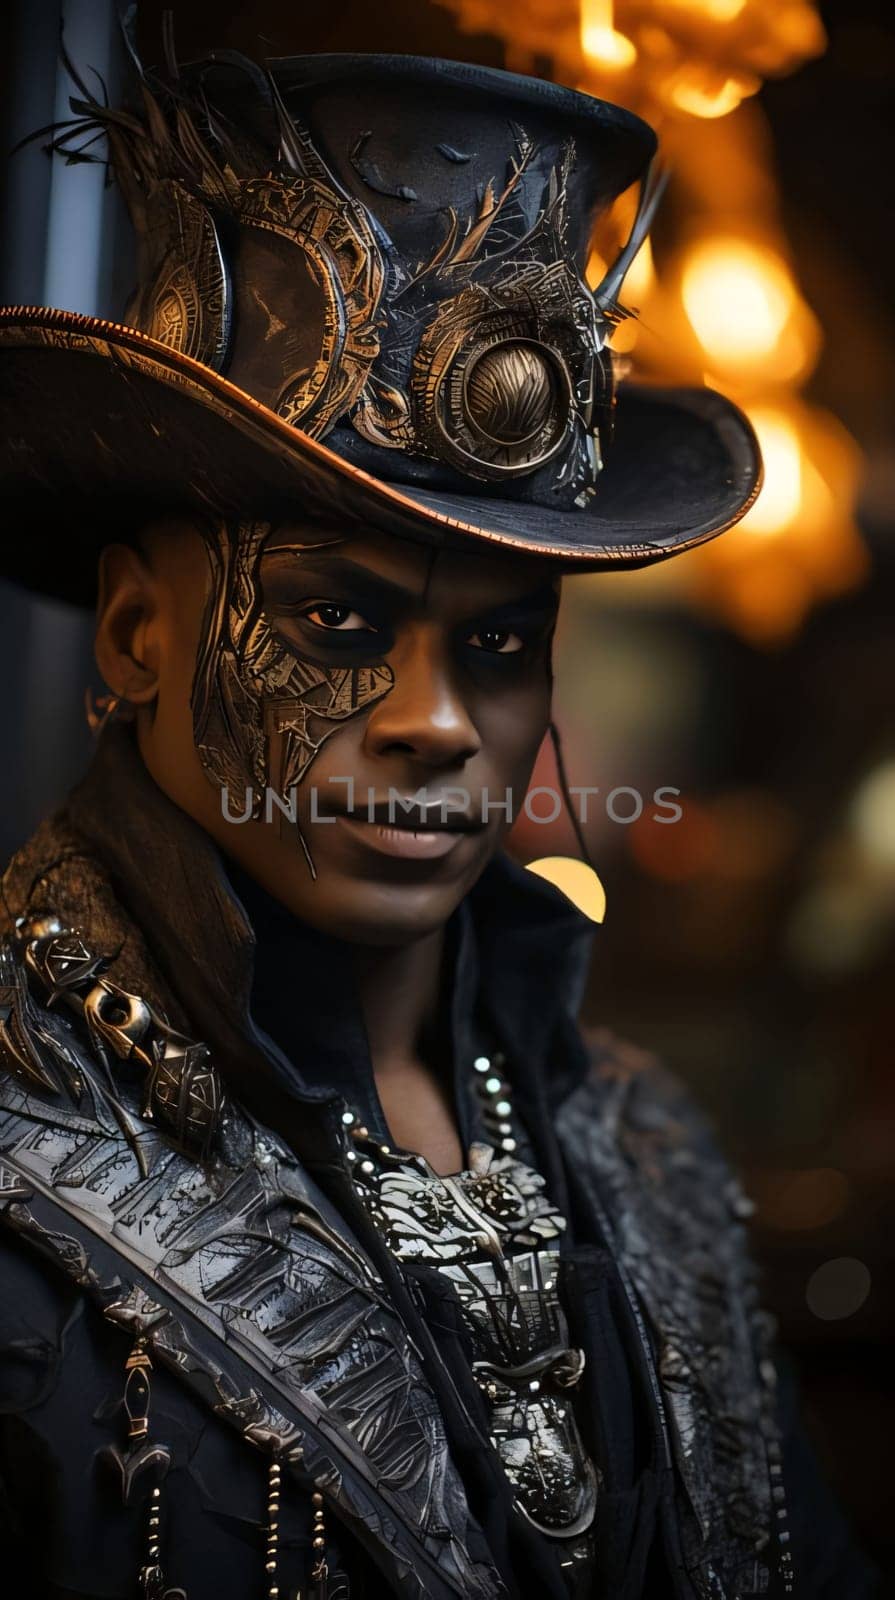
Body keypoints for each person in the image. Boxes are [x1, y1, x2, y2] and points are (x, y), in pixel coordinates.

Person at [0, 34, 877, 1600]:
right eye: (337, 627)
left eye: (500, 644)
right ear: (134, 636)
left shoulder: (643, 1140)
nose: (440, 723)